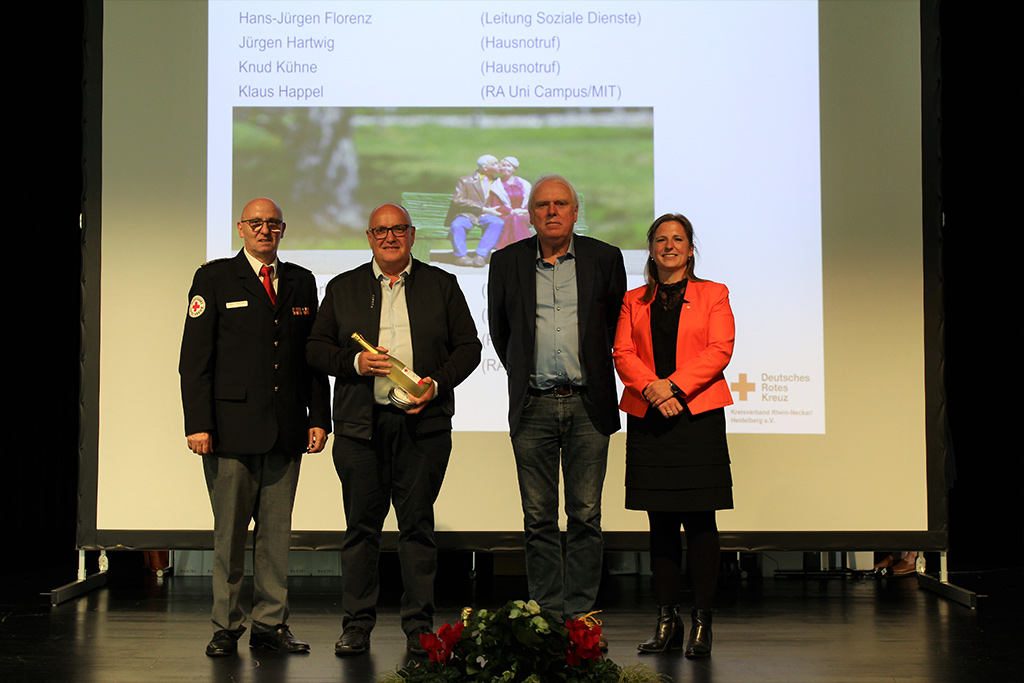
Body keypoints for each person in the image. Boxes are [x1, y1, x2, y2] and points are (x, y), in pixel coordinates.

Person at [306, 203, 481, 657]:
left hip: (423, 427)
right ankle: (357, 626)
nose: (389, 238)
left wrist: (436, 384)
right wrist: (355, 362)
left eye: (398, 229)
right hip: (360, 429)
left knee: (417, 529)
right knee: (361, 531)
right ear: (368, 237)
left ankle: (419, 628)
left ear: (412, 234)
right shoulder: (343, 288)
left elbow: (469, 347)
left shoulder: (442, 284)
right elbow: (315, 349)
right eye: (381, 231)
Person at [179, 197, 330, 657]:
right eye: (256, 223)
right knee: (228, 535)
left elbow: (312, 360)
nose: (265, 230)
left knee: (276, 537)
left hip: (286, 429)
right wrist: (198, 423)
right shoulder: (214, 278)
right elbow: (195, 361)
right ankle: (225, 626)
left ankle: (269, 624)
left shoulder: (302, 282)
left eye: (273, 224)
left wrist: (319, 418)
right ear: (240, 229)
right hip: (228, 431)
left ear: (282, 230)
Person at [487, 174, 627, 624]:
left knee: (586, 515)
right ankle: (548, 617)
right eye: (543, 205)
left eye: (560, 204)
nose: (552, 211)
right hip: (534, 405)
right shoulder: (506, 261)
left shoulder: (604, 258)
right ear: (530, 215)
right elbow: (501, 332)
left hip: (588, 405)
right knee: (538, 519)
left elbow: (613, 327)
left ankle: (581, 618)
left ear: (574, 211)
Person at [612, 213, 735, 658]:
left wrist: (674, 387)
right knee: (660, 524)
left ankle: (702, 623)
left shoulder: (713, 294)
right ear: (651, 249)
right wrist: (652, 389)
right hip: (650, 416)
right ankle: (667, 621)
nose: (669, 246)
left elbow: (720, 349)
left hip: (696, 418)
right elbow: (623, 352)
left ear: (690, 248)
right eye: (661, 239)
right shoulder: (633, 300)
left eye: (677, 239)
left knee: (701, 523)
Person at [445, 154, 505, 267]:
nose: (499, 165)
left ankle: (481, 255)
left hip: (488, 215)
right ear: (485, 167)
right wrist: (481, 208)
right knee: (457, 225)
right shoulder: (465, 181)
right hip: (468, 214)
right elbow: (457, 200)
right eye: (495, 163)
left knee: (497, 223)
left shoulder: (499, 182)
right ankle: (461, 256)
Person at [488, 156, 533, 250]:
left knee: (516, 218)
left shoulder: (524, 184)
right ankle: (527, 247)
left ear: (514, 168)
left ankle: (504, 248)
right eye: (503, 165)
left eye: (508, 166)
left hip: (524, 214)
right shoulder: (496, 186)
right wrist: (510, 211)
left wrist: (523, 211)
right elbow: (495, 205)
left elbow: (532, 202)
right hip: (504, 215)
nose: (505, 168)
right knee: (514, 218)